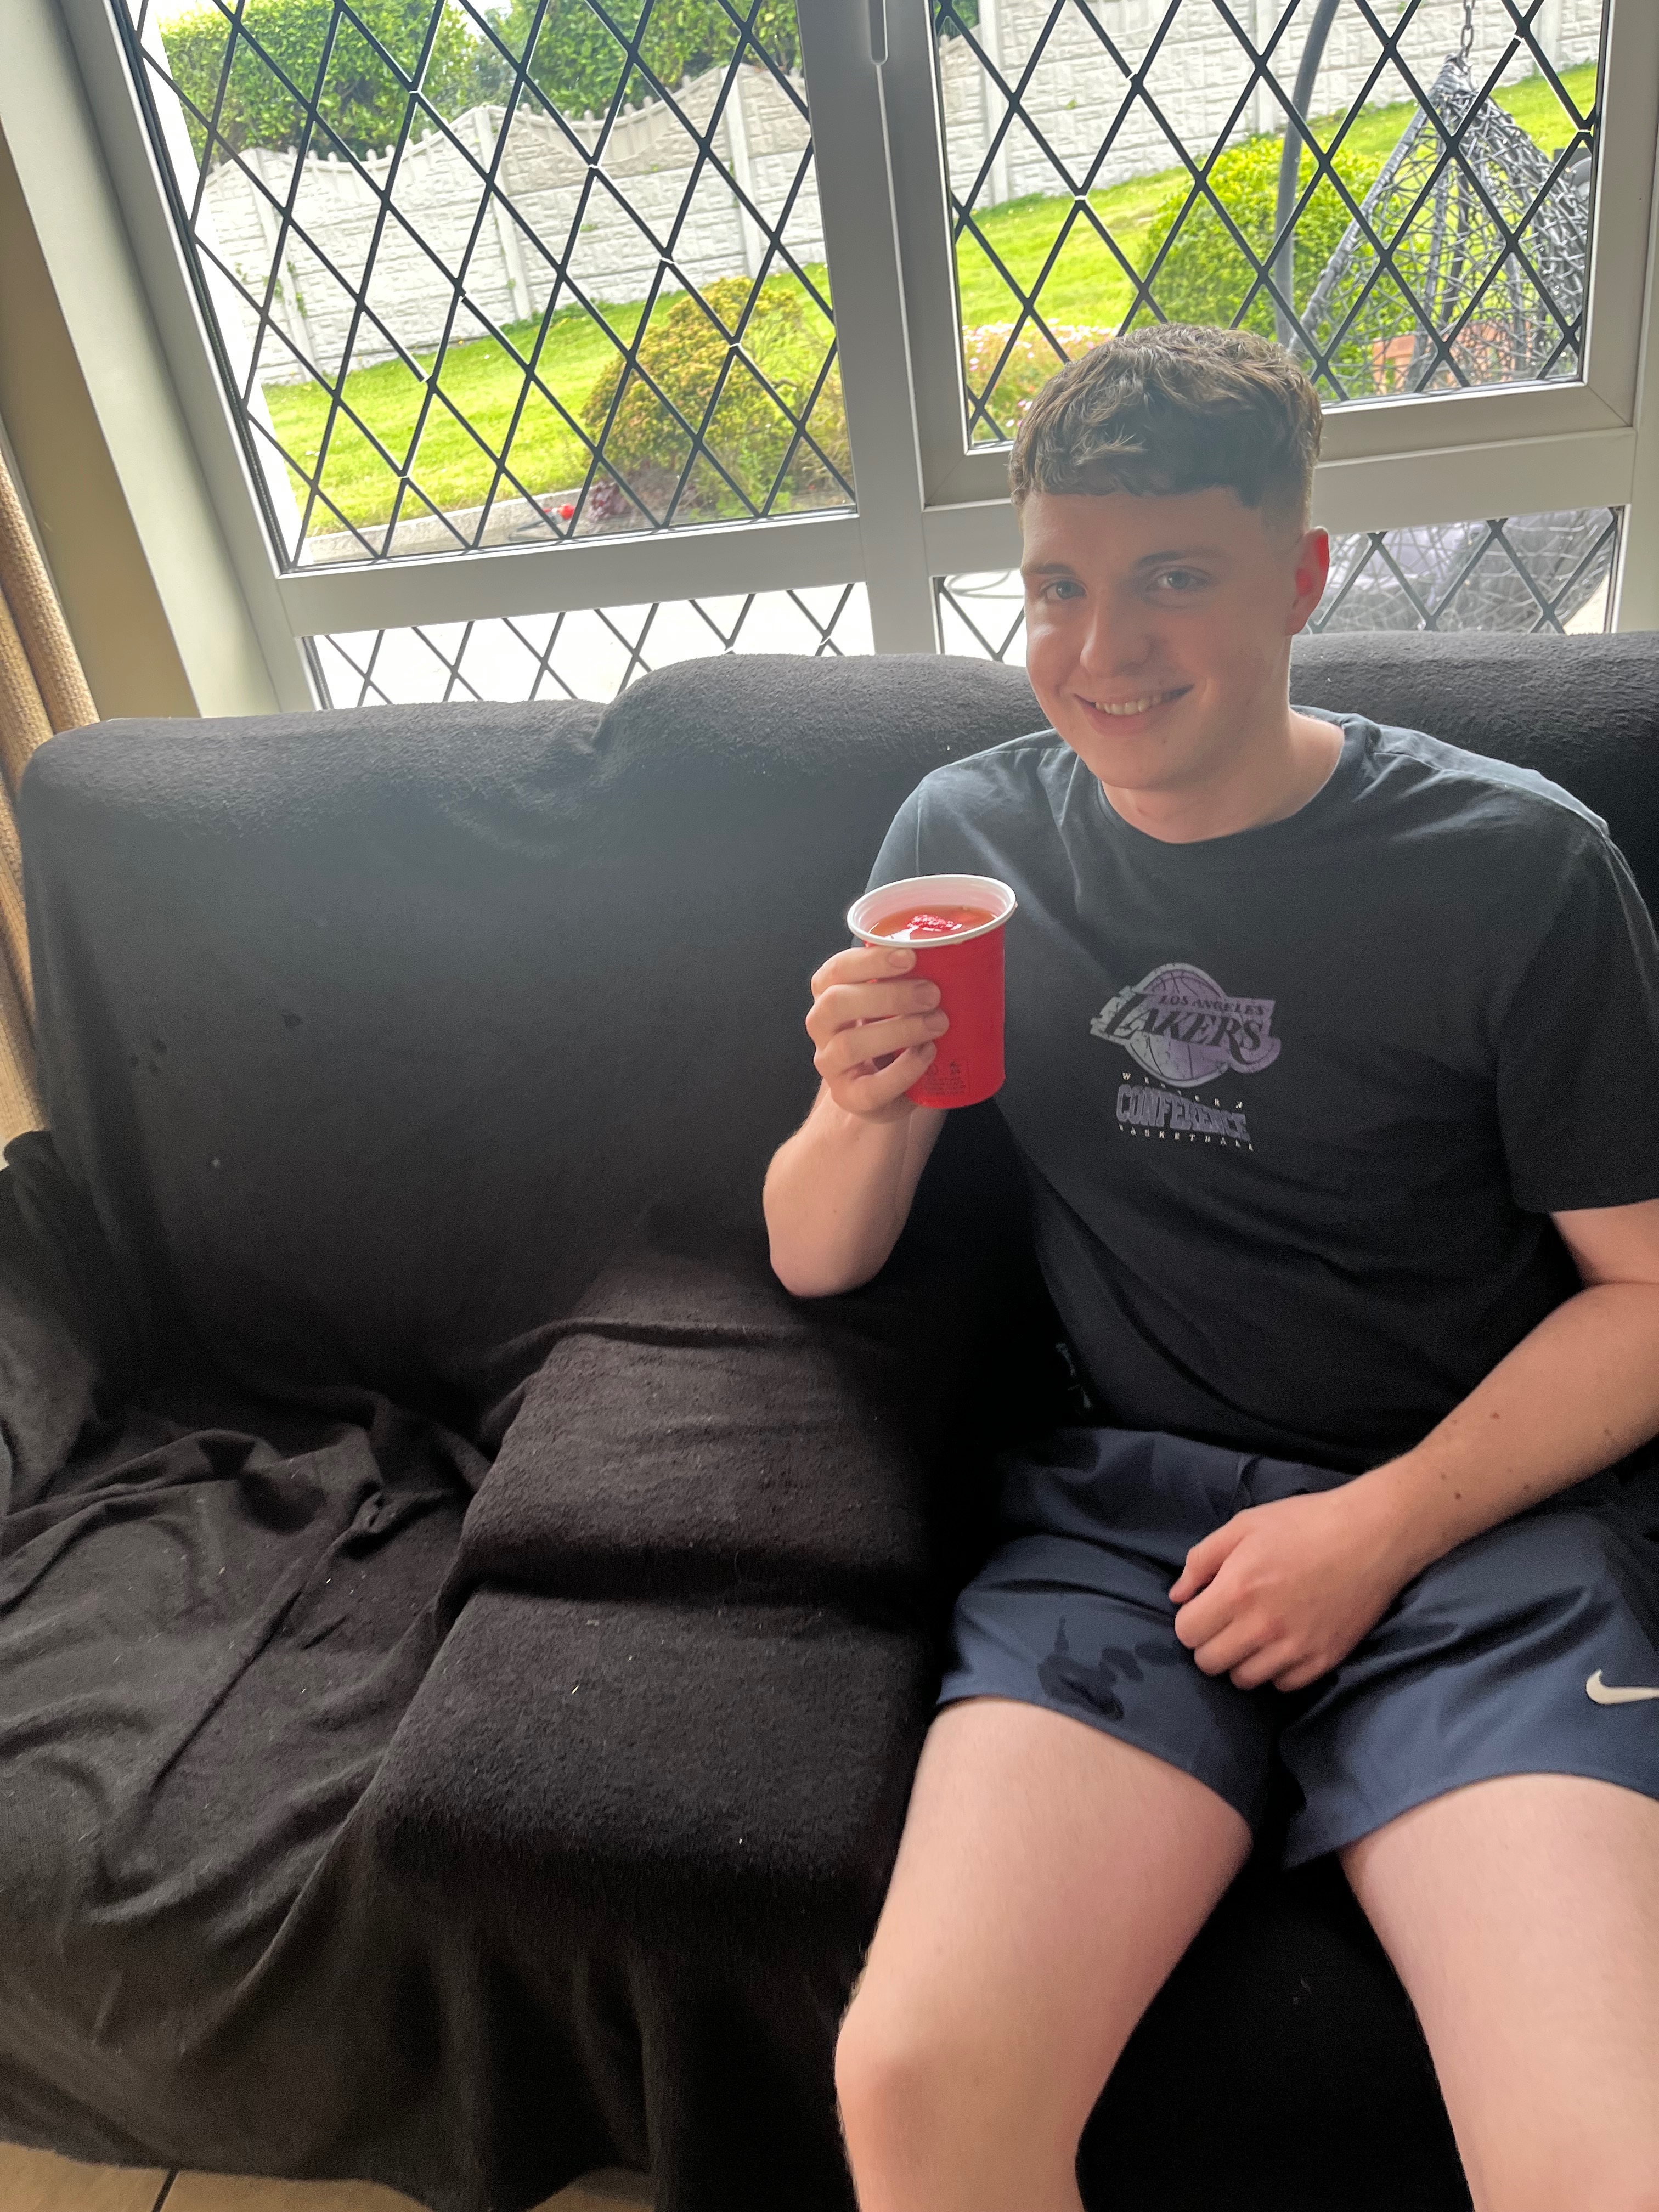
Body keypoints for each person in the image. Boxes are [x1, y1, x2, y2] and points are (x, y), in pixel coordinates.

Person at [761, 324, 1659, 2212]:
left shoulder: (1517, 872)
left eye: (1175, 578)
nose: (1104, 650)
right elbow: (817, 1258)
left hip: (1474, 1526)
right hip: (1129, 1530)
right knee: (917, 2087)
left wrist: (1383, 1528)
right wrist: (857, 1102)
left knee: (1607, 2156)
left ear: (1303, 577)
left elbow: (1651, 1296)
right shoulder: (967, 840)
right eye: (1058, 588)